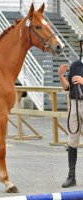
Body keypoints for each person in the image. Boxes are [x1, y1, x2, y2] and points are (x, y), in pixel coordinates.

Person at [58, 35, 83, 188]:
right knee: (72, 140)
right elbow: (67, 87)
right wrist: (61, 75)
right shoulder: (75, 65)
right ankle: (71, 176)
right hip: (74, 105)